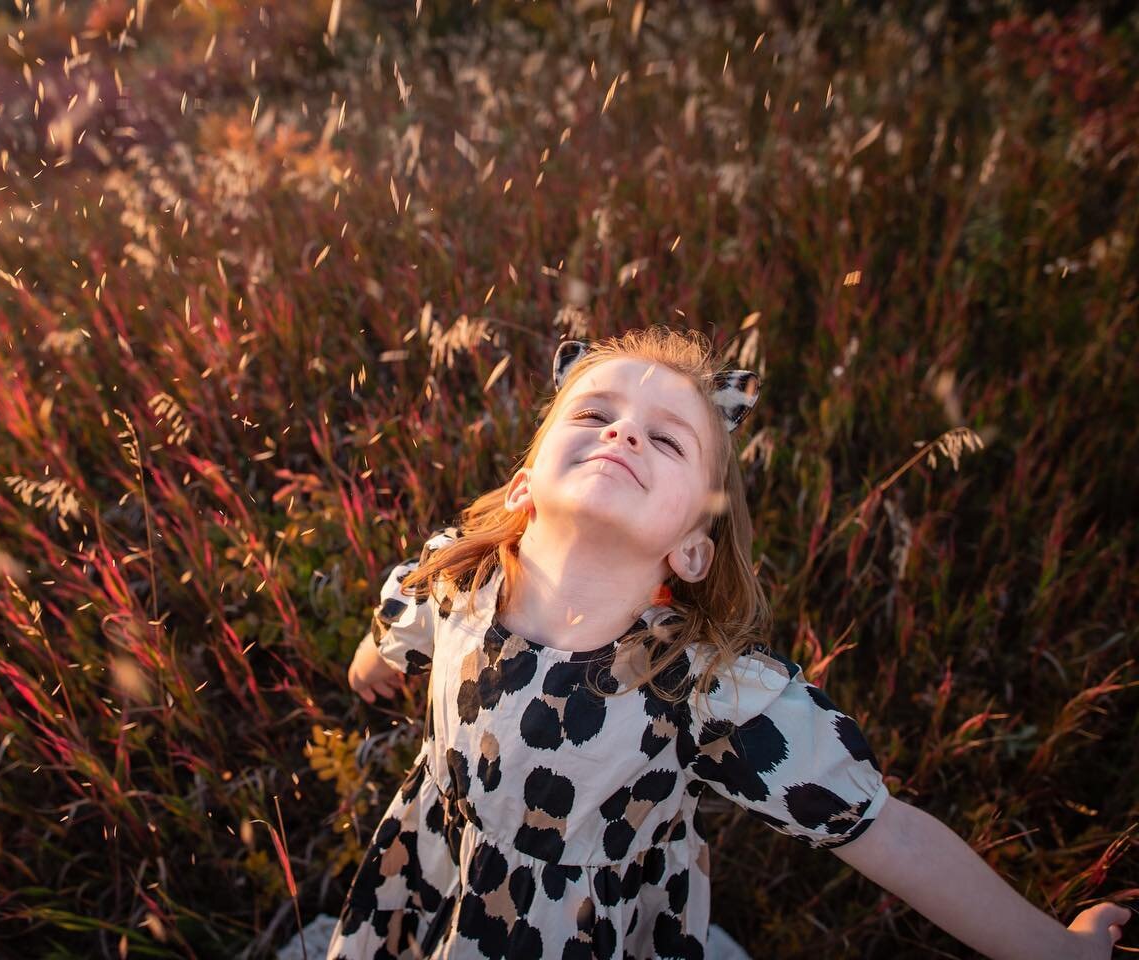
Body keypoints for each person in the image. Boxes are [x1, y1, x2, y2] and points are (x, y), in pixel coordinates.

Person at [328, 326, 1133, 959]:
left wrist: (1054, 949)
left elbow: (889, 835)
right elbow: (404, 607)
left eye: (668, 439)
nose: (625, 435)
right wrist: (377, 656)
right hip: (436, 866)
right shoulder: (456, 580)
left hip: (583, 928)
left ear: (690, 548)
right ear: (522, 485)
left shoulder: (703, 692)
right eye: (594, 414)